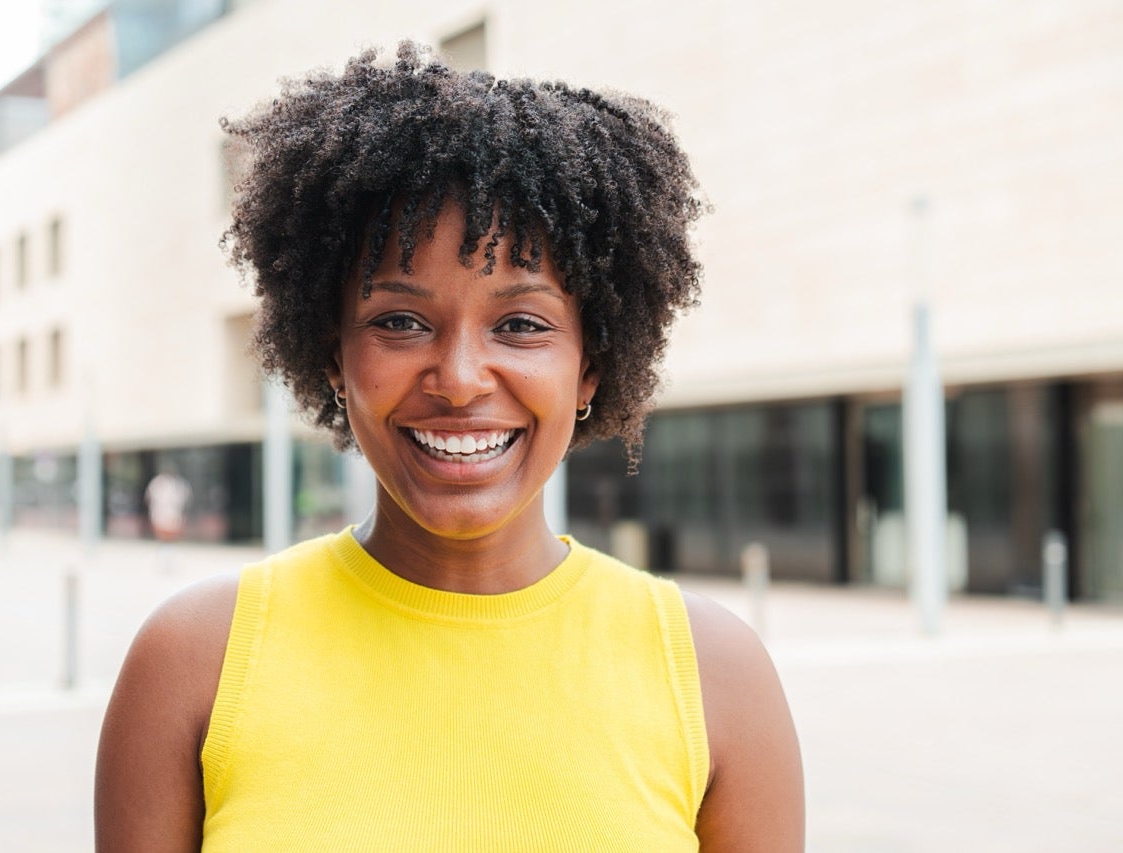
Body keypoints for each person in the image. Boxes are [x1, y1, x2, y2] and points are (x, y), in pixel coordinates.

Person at [95, 42, 803, 851]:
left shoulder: (717, 677)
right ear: (334, 354)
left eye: (522, 324)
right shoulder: (194, 663)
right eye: (400, 320)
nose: (461, 378)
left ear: (592, 366)